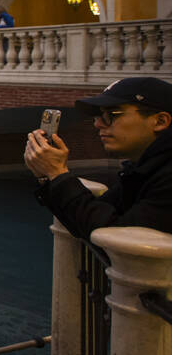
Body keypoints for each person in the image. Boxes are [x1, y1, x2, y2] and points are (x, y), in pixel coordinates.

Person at [24, 77, 172, 239]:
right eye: (98, 116)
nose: (98, 124)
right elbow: (88, 220)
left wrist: (58, 173)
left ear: (160, 121)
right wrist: (46, 176)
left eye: (111, 115)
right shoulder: (143, 169)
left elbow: (116, 239)